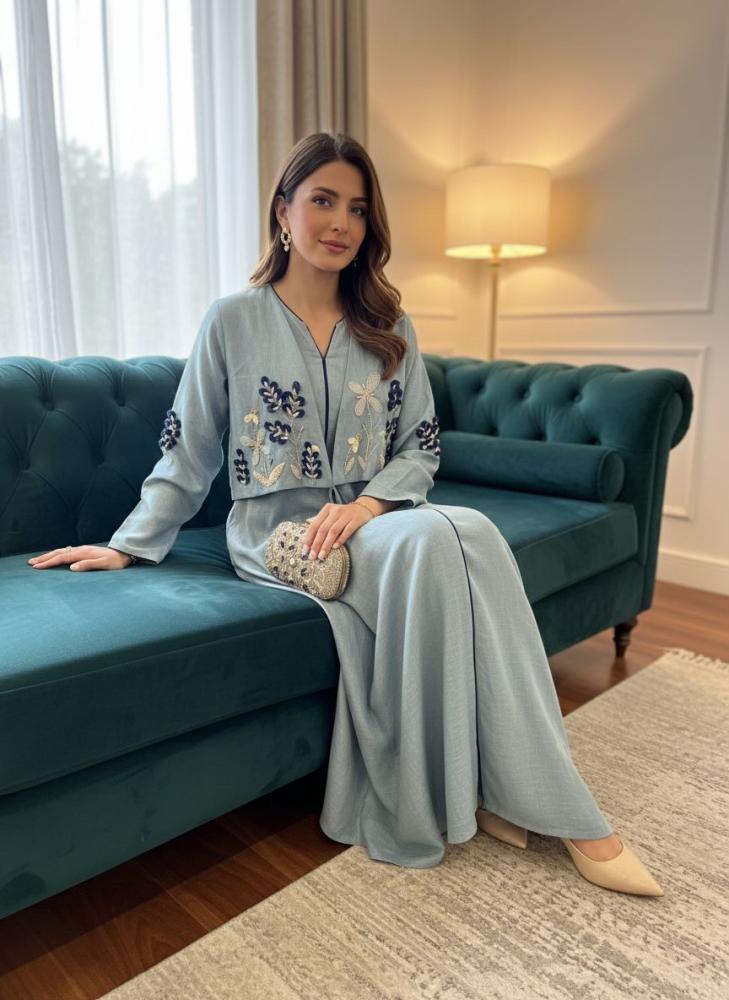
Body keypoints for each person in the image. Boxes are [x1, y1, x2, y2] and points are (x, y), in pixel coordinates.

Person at [28, 132, 663, 897]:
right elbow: (187, 451)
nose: (340, 222)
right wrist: (129, 545)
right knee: (436, 536)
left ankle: (504, 791)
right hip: (277, 536)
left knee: (466, 529)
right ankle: (561, 814)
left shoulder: (387, 323)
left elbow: (420, 448)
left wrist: (365, 505)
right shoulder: (233, 321)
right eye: (322, 200)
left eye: (357, 208)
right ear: (283, 211)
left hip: (376, 519)